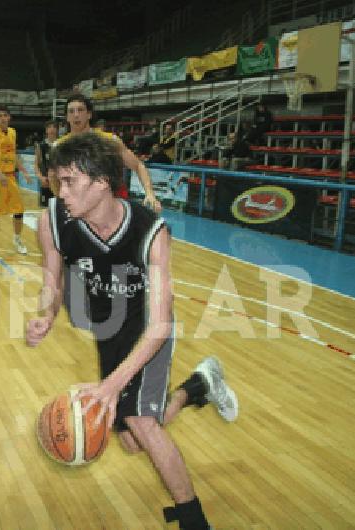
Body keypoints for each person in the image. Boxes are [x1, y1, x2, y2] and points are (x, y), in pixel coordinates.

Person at [26, 133, 238, 529]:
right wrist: (46, 315)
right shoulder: (53, 220)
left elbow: (160, 324)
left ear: (102, 182)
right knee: (131, 439)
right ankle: (198, 386)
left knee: (140, 421)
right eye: (58, 181)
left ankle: (194, 519)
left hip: (147, 326)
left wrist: (111, 387)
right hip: (109, 328)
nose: (60, 191)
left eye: (69, 181)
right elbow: (52, 282)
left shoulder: (151, 232)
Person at [56, 94, 162, 213]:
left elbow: (138, 165)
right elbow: (53, 178)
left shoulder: (109, 140)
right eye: (71, 111)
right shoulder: (59, 146)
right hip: (78, 207)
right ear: (67, 117)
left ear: (89, 114)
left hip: (110, 206)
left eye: (80, 110)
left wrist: (150, 193)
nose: (76, 115)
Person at [0, 105, 31, 259]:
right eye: (0, 116)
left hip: (10, 176)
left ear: (9, 117)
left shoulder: (13, 132)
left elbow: (14, 154)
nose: (3, 118)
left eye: (5, 115)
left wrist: (23, 170)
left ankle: (17, 239)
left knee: (19, 210)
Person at [34, 119, 58, 207]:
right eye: (49, 127)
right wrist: (41, 177)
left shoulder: (61, 144)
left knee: (59, 209)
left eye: (54, 127)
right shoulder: (41, 146)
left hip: (59, 182)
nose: (52, 129)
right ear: (46, 130)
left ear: (57, 130)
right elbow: (36, 165)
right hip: (46, 182)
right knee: (46, 210)